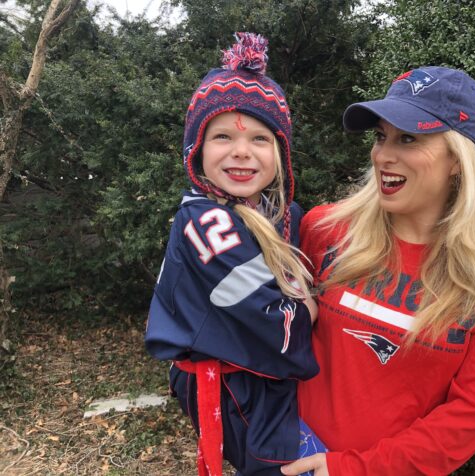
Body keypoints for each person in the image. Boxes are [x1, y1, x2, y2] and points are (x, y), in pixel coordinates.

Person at [281, 66, 475, 476]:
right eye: (380, 136)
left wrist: (354, 469)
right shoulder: (325, 229)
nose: (383, 154)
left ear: (458, 159)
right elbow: (267, 334)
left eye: (408, 138)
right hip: (289, 460)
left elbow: (472, 411)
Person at [145, 33, 325, 476]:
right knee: (287, 468)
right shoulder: (206, 222)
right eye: (222, 136)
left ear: (280, 153)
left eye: (260, 139)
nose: (242, 151)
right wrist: (313, 308)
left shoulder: (278, 212)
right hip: (233, 386)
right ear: (197, 150)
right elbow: (275, 318)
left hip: (258, 376)